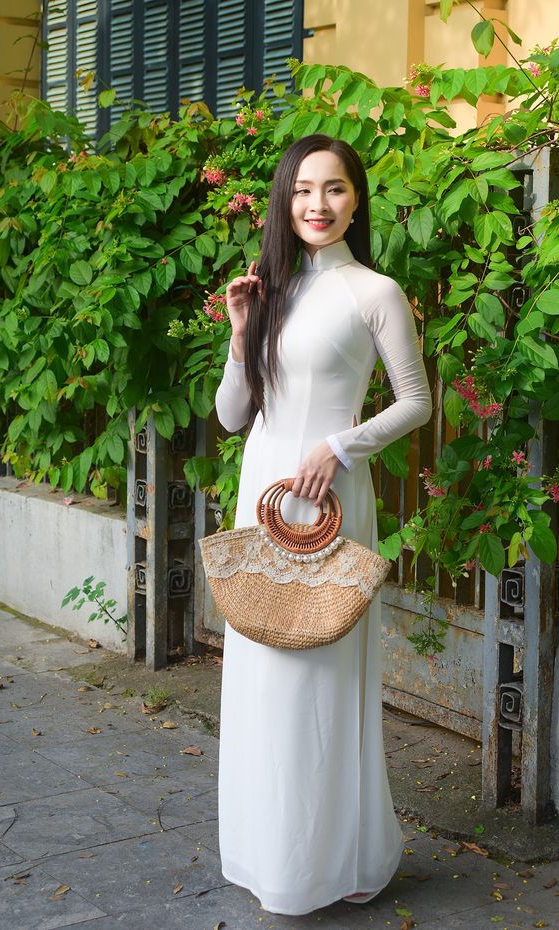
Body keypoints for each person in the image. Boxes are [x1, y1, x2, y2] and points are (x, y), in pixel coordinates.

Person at [214, 133, 432, 916]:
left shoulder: (375, 291)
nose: (318, 204)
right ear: (284, 200)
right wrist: (240, 334)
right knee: (264, 678)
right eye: (303, 190)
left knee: (319, 680)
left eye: (334, 188)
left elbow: (416, 402)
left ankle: (334, 862)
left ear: (356, 199)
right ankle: (270, 857)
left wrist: (341, 446)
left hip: (331, 495)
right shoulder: (269, 291)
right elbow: (232, 416)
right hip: (263, 491)